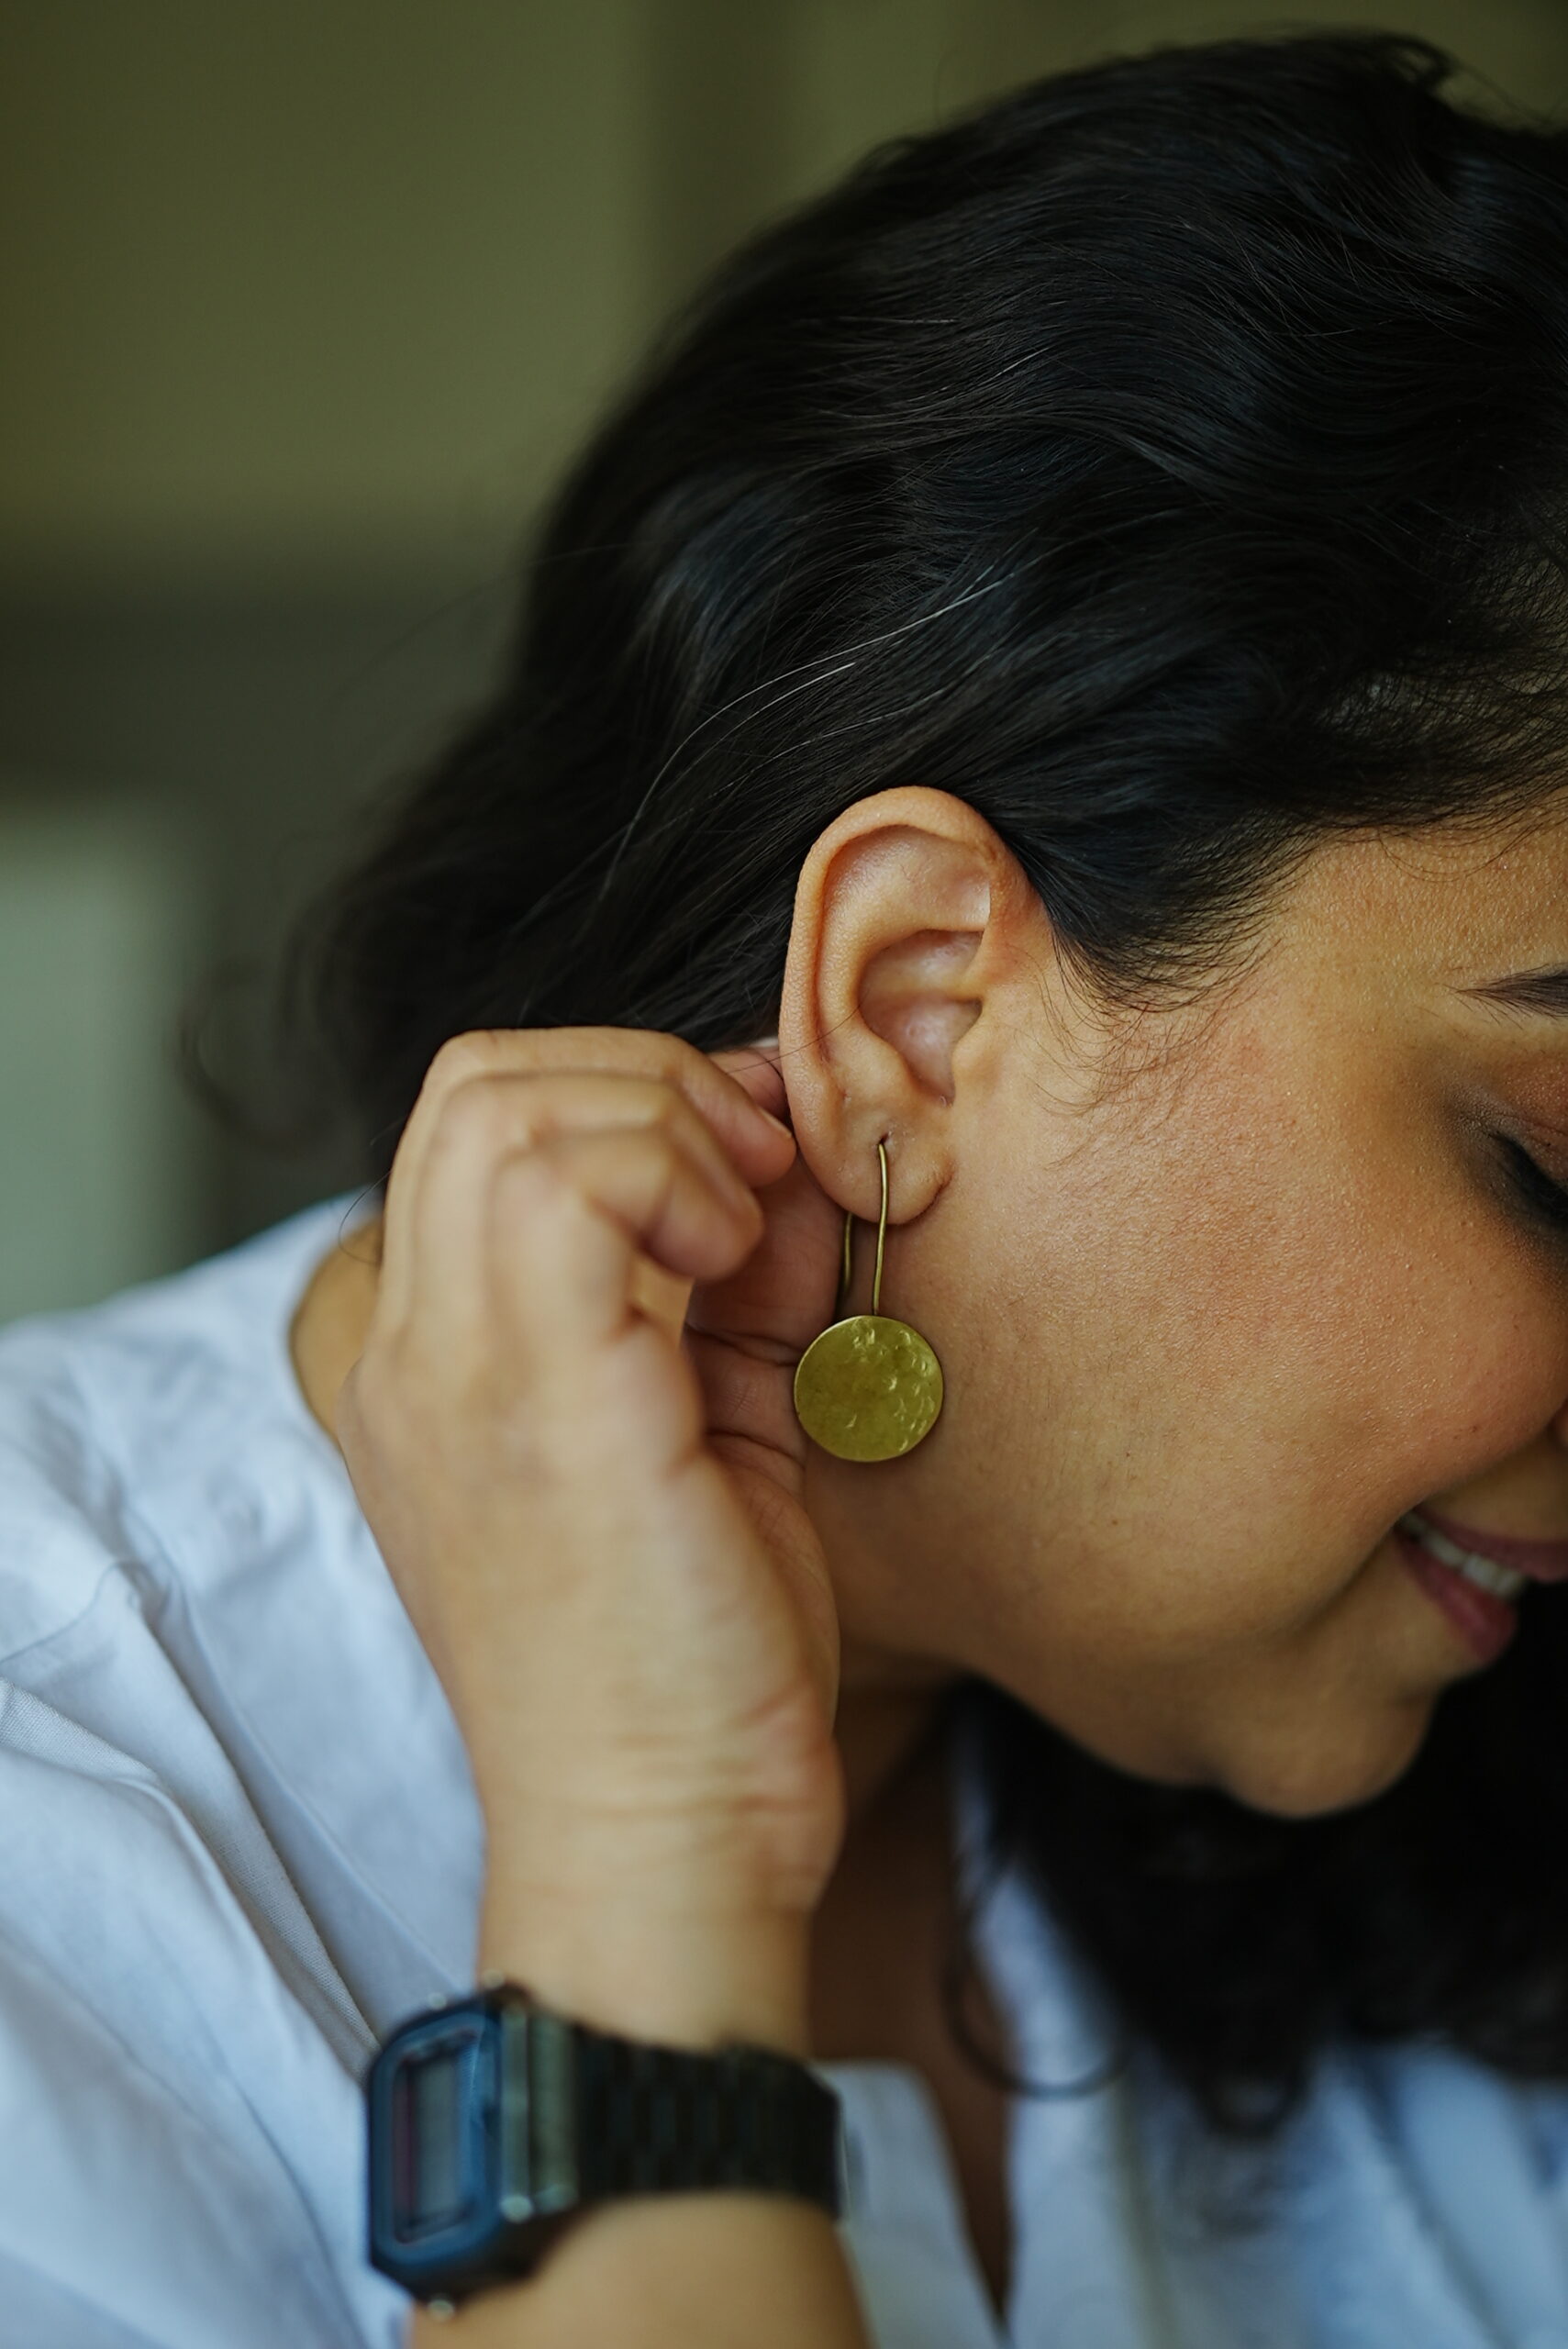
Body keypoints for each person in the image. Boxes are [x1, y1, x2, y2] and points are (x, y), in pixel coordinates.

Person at [6, 27, 1568, 2346]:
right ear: (917, 1009)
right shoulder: (58, 1824)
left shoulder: (1394, 1796)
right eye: (1550, 1168)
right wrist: (643, 1852)